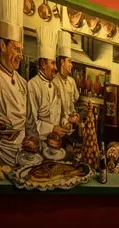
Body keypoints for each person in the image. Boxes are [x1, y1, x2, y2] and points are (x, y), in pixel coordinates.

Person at [0, 0, 37, 179]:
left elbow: (30, 122)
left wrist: (33, 141)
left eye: (21, 51)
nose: (20, 56)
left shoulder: (23, 82)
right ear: (2, 45)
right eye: (16, 49)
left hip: (23, 154)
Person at [27, 25, 69, 154]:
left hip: (55, 144)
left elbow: (59, 115)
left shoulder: (56, 86)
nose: (55, 68)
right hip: (38, 145)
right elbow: (31, 123)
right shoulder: (33, 85)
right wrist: (52, 128)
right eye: (52, 63)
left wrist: (65, 123)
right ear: (42, 64)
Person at [54, 30, 80, 132]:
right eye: (69, 61)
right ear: (62, 62)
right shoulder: (54, 82)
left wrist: (74, 113)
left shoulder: (71, 81)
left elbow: (73, 102)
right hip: (59, 128)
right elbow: (54, 112)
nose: (71, 65)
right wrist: (67, 119)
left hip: (70, 128)